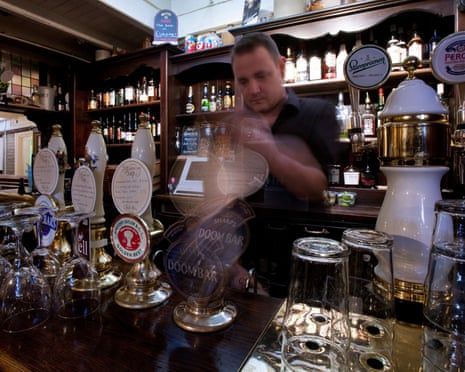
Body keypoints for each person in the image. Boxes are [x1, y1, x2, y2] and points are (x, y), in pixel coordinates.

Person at [231, 32, 339, 203]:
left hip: (302, 229)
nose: (253, 90)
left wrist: (269, 151)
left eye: (261, 76)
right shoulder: (237, 123)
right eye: (243, 81)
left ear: (281, 68)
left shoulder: (318, 112)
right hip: (248, 227)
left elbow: (318, 189)